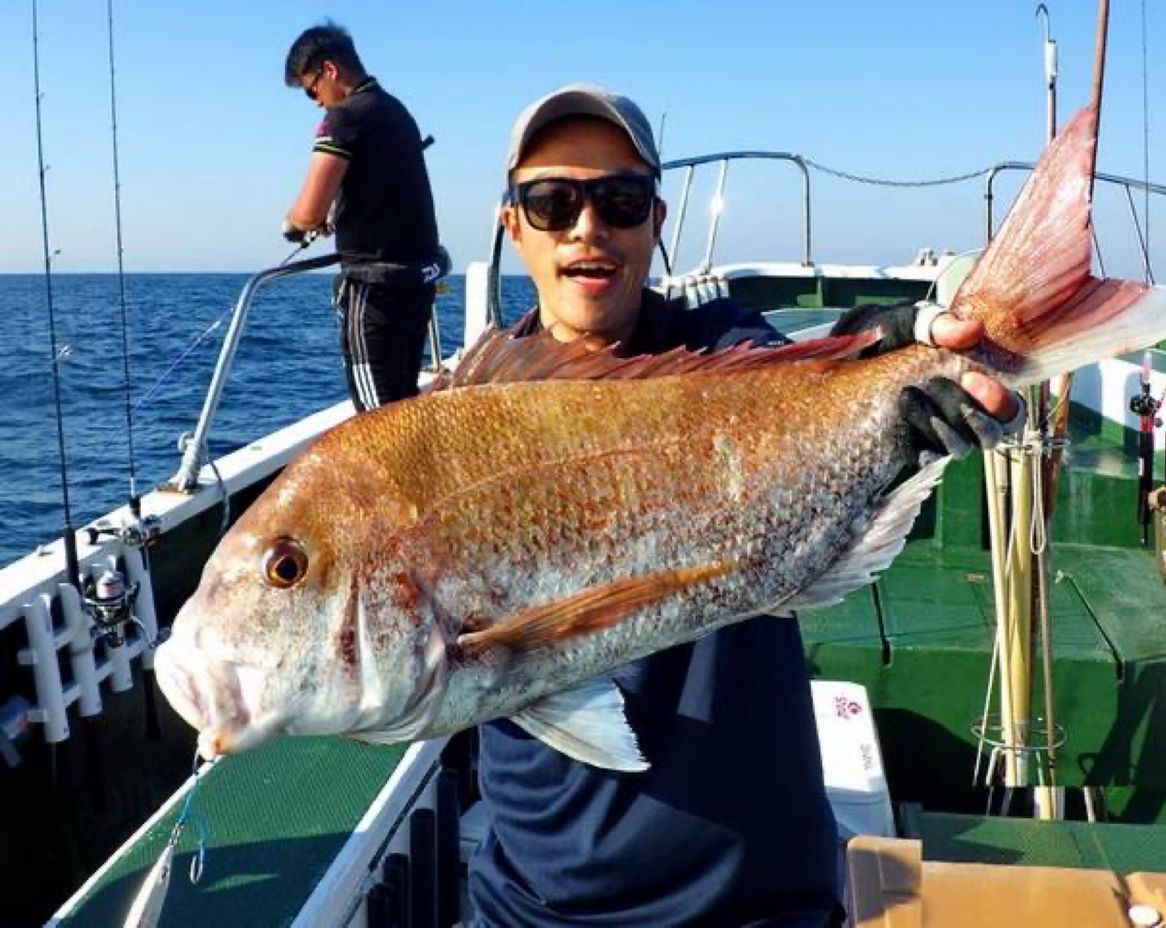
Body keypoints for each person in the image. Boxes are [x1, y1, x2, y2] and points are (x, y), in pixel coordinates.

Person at [466, 84, 1021, 928]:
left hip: (752, 897)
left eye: (618, 202)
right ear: (514, 225)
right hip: (532, 901)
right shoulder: (462, 418)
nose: (588, 227)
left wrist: (887, 352)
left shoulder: (722, 349)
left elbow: (796, 381)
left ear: (656, 222)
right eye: (553, 201)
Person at [282, 22, 448, 410]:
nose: (316, 102)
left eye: (311, 90)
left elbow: (307, 213)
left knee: (378, 425)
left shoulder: (344, 118)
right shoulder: (396, 111)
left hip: (376, 292)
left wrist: (294, 223)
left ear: (330, 71)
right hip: (415, 285)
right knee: (402, 404)